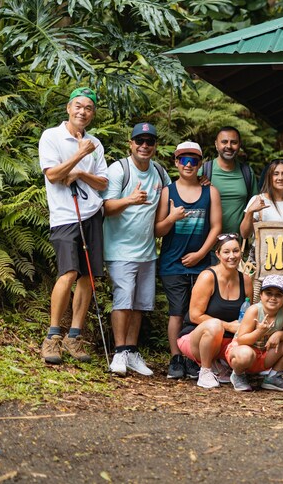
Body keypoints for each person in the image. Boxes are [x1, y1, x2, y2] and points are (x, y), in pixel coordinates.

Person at [39, 87, 108, 364]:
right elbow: (53, 175)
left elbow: (103, 182)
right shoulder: (51, 136)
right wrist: (79, 155)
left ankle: (74, 336)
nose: (82, 112)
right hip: (65, 216)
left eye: (88, 108)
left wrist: (80, 172)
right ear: (68, 108)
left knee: (87, 278)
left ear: (92, 114)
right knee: (68, 273)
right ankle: (53, 336)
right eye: (78, 106)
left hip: (91, 213)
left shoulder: (96, 143)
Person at [102, 123, 170, 376]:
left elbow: (173, 193)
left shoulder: (160, 172)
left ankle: (131, 351)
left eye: (149, 142)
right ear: (130, 144)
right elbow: (106, 207)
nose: (144, 146)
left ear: (155, 146)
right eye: (139, 141)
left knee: (140, 304)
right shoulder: (119, 170)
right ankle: (119, 353)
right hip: (120, 250)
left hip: (147, 251)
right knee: (123, 300)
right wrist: (130, 199)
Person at [156, 141, 222, 380]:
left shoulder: (210, 191)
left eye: (193, 160)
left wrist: (202, 254)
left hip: (201, 263)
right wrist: (172, 217)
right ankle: (176, 357)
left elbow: (216, 227)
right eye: (183, 159)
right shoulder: (167, 191)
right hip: (172, 263)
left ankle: (193, 357)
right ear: (175, 162)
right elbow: (159, 230)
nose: (188, 164)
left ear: (200, 164)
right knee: (176, 312)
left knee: (196, 314)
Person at [177, 233, 252, 389]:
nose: (232, 256)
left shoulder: (245, 280)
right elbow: (194, 315)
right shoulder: (207, 277)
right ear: (218, 254)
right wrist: (228, 326)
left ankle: (228, 368)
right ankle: (205, 371)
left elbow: (249, 313)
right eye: (226, 252)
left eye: (236, 251)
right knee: (215, 325)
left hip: (228, 340)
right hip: (196, 338)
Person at [226, 274, 283, 392]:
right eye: (269, 293)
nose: (273, 298)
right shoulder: (254, 310)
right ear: (261, 295)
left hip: (265, 352)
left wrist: (278, 334)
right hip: (243, 352)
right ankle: (238, 374)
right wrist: (259, 331)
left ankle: (273, 377)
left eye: (278, 295)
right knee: (245, 354)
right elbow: (241, 340)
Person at [201, 126, 257, 234]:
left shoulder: (247, 173)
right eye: (224, 142)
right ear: (216, 144)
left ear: (239, 145)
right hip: (208, 245)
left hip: (238, 246)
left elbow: (254, 209)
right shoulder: (204, 171)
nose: (229, 146)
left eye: (234, 142)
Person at [241, 158, 283, 239]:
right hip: (262, 251)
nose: (280, 178)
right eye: (276, 174)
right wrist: (250, 211)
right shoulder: (259, 200)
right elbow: (244, 234)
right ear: (270, 178)